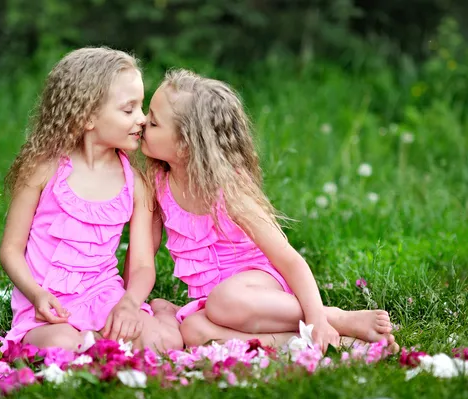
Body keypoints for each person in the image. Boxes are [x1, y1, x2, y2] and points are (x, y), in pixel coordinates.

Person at [139, 69, 397, 352]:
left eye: (153, 122)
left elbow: (290, 261)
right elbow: (143, 255)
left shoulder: (228, 190)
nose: (141, 123)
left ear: (185, 144)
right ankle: (324, 343)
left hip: (256, 287)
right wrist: (127, 302)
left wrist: (317, 317)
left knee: (225, 300)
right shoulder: (158, 184)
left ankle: (336, 318)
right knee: (193, 330)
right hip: (214, 304)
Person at [0, 47, 182, 352]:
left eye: (142, 107)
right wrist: (35, 295)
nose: (141, 120)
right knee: (63, 346)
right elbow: (11, 249)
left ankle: (151, 319)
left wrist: (128, 304)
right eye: (129, 109)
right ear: (86, 117)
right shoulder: (43, 169)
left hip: (104, 296)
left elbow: (140, 266)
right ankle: (91, 343)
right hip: (47, 304)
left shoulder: (135, 184)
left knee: (164, 342)